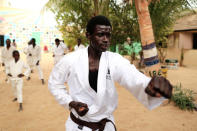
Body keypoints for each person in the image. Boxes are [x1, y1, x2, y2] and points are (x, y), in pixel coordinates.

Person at [48, 15, 172, 131]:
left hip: (105, 125)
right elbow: (55, 83)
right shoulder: (70, 60)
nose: (106, 40)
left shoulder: (114, 60)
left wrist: (150, 84)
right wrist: (70, 103)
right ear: (88, 35)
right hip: (78, 126)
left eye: (108, 35)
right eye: (101, 34)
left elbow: (133, 77)